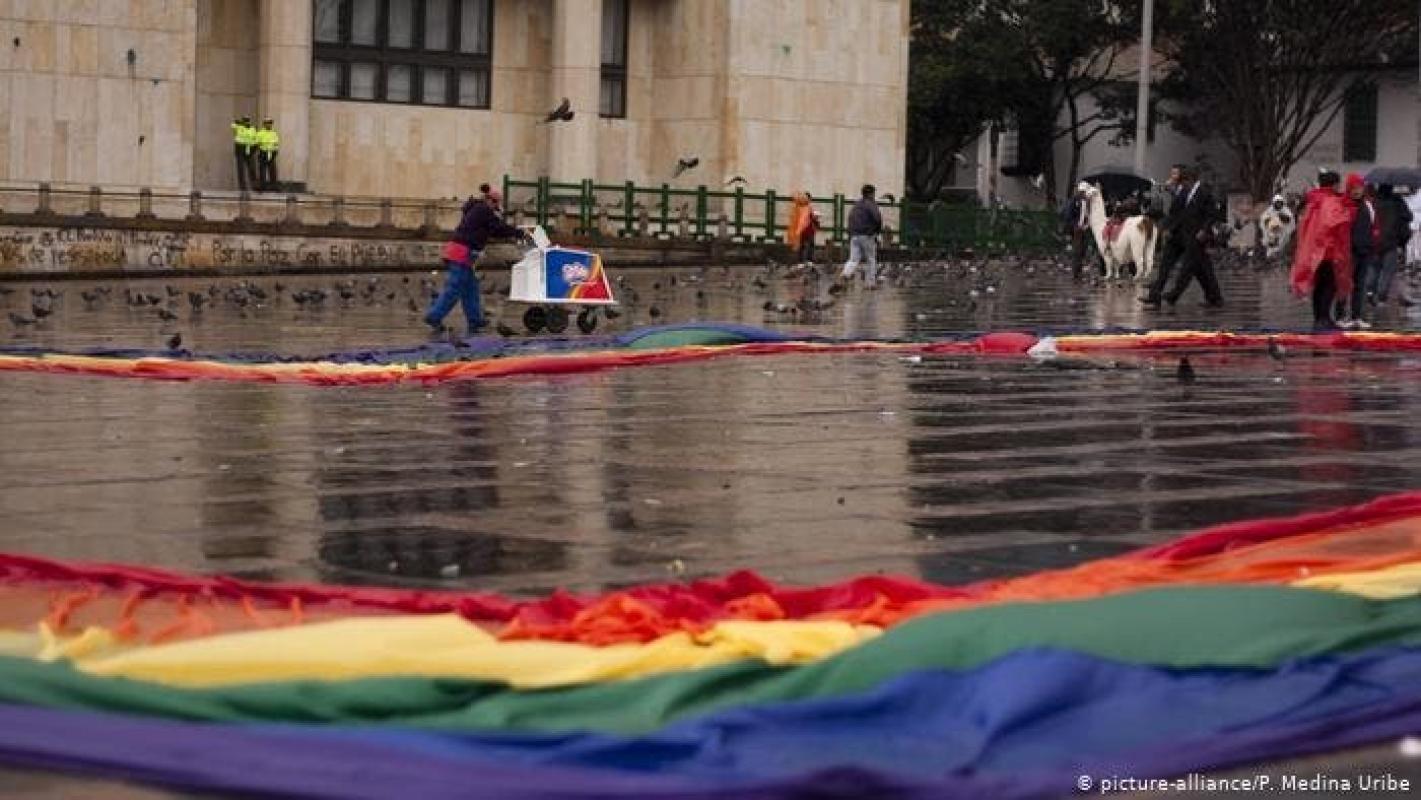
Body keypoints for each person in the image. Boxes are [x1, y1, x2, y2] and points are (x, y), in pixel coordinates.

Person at [425, 188, 528, 335]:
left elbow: (494, 229)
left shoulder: (477, 209)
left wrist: (512, 231)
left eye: (497, 203)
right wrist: (519, 233)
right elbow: (498, 228)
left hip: (460, 253)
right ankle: (434, 316)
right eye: (494, 202)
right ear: (488, 200)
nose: (495, 206)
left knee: (470, 288)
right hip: (461, 253)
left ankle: (475, 320)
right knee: (454, 288)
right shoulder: (483, 210)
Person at [1290, 170, 1357, 330]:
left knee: (1319, 285)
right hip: (1327, 251)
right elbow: (1335, 223)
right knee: (1329, 285)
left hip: (1313, 251)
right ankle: (1324, 318)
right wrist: (1349, 210)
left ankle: (1319, 318)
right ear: (1334, 185)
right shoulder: (1331, 202)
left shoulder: (1314, 201)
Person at [1159, 165, 1224, 308]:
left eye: (1183, 182)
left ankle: (1174, 295)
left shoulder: (1203, 192)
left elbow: (1212, 214)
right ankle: (1215, 297)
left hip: (1199, 236)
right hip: (1189, 235)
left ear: (1189, 180)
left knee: (1188, 267)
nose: (1182, 185)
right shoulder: (1189, 192)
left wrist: (1204, 230)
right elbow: (1182, 213)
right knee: (1203, 270)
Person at [1140, 164, 1187, 307]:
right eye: (1171, 173)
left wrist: (1168, 227)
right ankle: (1155, 295)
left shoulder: (1186, 191)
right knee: (1165, 265)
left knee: (1198, 268)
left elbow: (1181, 212)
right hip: (1176, 235)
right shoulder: (1177, 190)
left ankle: (1214, 295)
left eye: (1175, 174)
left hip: (1186, 235)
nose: (1171, 176)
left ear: (1182, 176)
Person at [1345, 180, 1382, 328]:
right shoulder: (1345, 205)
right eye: (1353, 188)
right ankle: (1341, 316)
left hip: (1365, 251)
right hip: (1349, 252)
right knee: (1345, 285)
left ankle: (1356, 316)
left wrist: (1374, 242)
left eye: (1359, 187)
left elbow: (1375, 226)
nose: (1357, 191)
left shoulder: (1368, 205)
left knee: (1360, 285)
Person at [1368, 183, 1413, 306]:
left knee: (1374, 268)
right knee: (1388, 270)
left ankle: (1369, 292)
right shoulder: (1397, 201)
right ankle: (1381, 296)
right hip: (1391, 241)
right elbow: (1408, 216)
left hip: (1374, 241)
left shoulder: (1372, 202)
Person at [840, 184, 883, 287]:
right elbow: (877, 218)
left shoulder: (857, 205)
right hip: (867, 235)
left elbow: (850, 218)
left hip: (854, 235)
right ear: (871, 193)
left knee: (853, 259)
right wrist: (876, 231)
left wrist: (851, 233)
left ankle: (845, 274)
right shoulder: (871, 204)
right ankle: (870, 283)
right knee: (871, 259)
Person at [1062, 184, 1093, 279]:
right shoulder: (1073, 201)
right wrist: (1075, 226)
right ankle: (1076, 272)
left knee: (1083, 249)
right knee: (1077, 251)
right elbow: (1068, 216)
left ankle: (1079, 269)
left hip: (1085, 229)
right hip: (1076, 230)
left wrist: (1087, 224)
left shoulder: (1088, 202)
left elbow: (1088, 215)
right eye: (1083, 192)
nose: (1085, 194)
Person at [785, 192, 821, 265]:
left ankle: (808, 261)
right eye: (804, 198)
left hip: (808, 230)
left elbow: (813, 219)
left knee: (809, 245)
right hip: (803, 230)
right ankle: (802, 261)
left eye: (807, 198)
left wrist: (816, 222)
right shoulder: (800, 208)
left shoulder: (808, 208)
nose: (805, 199)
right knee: (803, 246)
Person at [1258, 194, 1295, 260]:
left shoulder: (1286, 211)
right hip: (1271, 231)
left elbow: (1290, 222)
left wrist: (1282, 219)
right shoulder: (1269, 210)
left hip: (1282, 231)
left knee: (1281, 243)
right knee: (1270, 241)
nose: (1278, 204)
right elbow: (1263, 219)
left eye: (1280, 203)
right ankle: (1270, 256)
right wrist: (1271, 222)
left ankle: (1278, 254)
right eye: (1277, 203)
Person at [230, 116, 257, 192]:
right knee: (241, 169)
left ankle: (254, 185)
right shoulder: (239, 128)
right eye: (245, 121)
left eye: (247, 120)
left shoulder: (252, 129)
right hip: (240, 149)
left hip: (249, 150)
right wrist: (238, 122)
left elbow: (255, 139)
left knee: (252, 168)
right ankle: (242, 187)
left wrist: (254, 148)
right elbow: (232, 125)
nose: (246, 122)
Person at [255, 118, 281, 191]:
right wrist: (260, 150)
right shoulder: (260, 133)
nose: (269, 125)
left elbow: (276, 143)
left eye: (270, 123)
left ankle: (274, 186)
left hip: (271, 153)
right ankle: (262, 186)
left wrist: (275, 151)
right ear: (264, 124)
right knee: (262, 170)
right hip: (263, 152)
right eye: (268, 123)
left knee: (273, 170)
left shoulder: (274, 133)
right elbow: (257, 142)